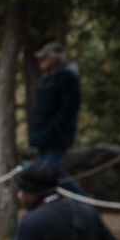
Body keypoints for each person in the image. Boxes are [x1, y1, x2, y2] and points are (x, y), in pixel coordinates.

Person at [31, 41, 85, 195]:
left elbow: (69, 108)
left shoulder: (67, 78)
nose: (40, 62)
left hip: (56, 136)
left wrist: (54, 128)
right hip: (44, 136)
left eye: (44, 58)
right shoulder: (48, 78)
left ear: (54, 59)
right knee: (43, 174)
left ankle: (84, 201)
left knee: (50, 172)